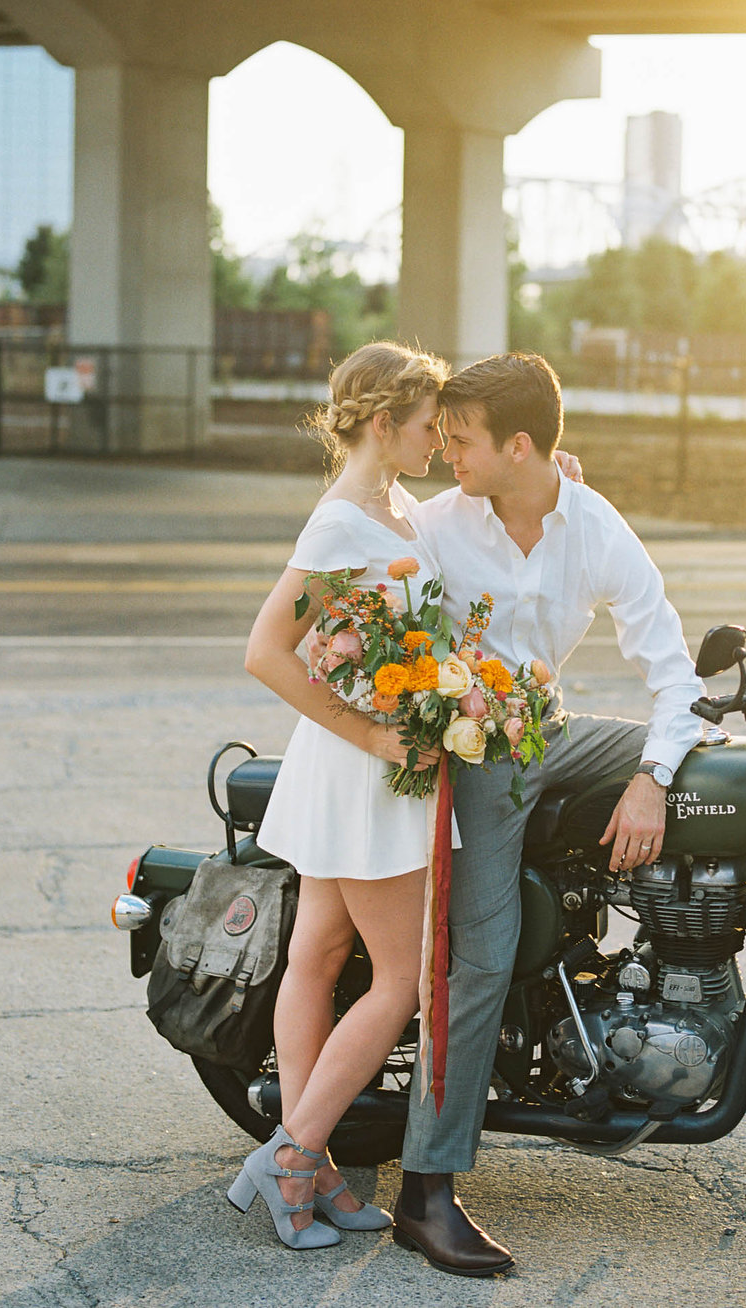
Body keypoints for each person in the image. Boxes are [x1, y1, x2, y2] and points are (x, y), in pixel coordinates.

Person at [388, 352, 705, 1277]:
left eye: (463, 438)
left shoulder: (591, 523)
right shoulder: (439, 525)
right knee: (478, 953)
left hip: (548, 730)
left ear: (521, 446)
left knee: (710, 770)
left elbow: (671, 668)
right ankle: (426, 1189)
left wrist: (653, 775)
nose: (447, 450)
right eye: (443, 435)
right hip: (473, 753)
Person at [230, 341, 449, 1249]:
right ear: (384, 421)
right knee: (398, 978)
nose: (438, 439)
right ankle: (291, 1157)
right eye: (429, 424)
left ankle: (309, 1165)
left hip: (359, 763)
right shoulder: (339, 525)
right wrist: (368, 733)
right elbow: (265, 652)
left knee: (317, 958)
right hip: (360, 767)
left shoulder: (397, 505)